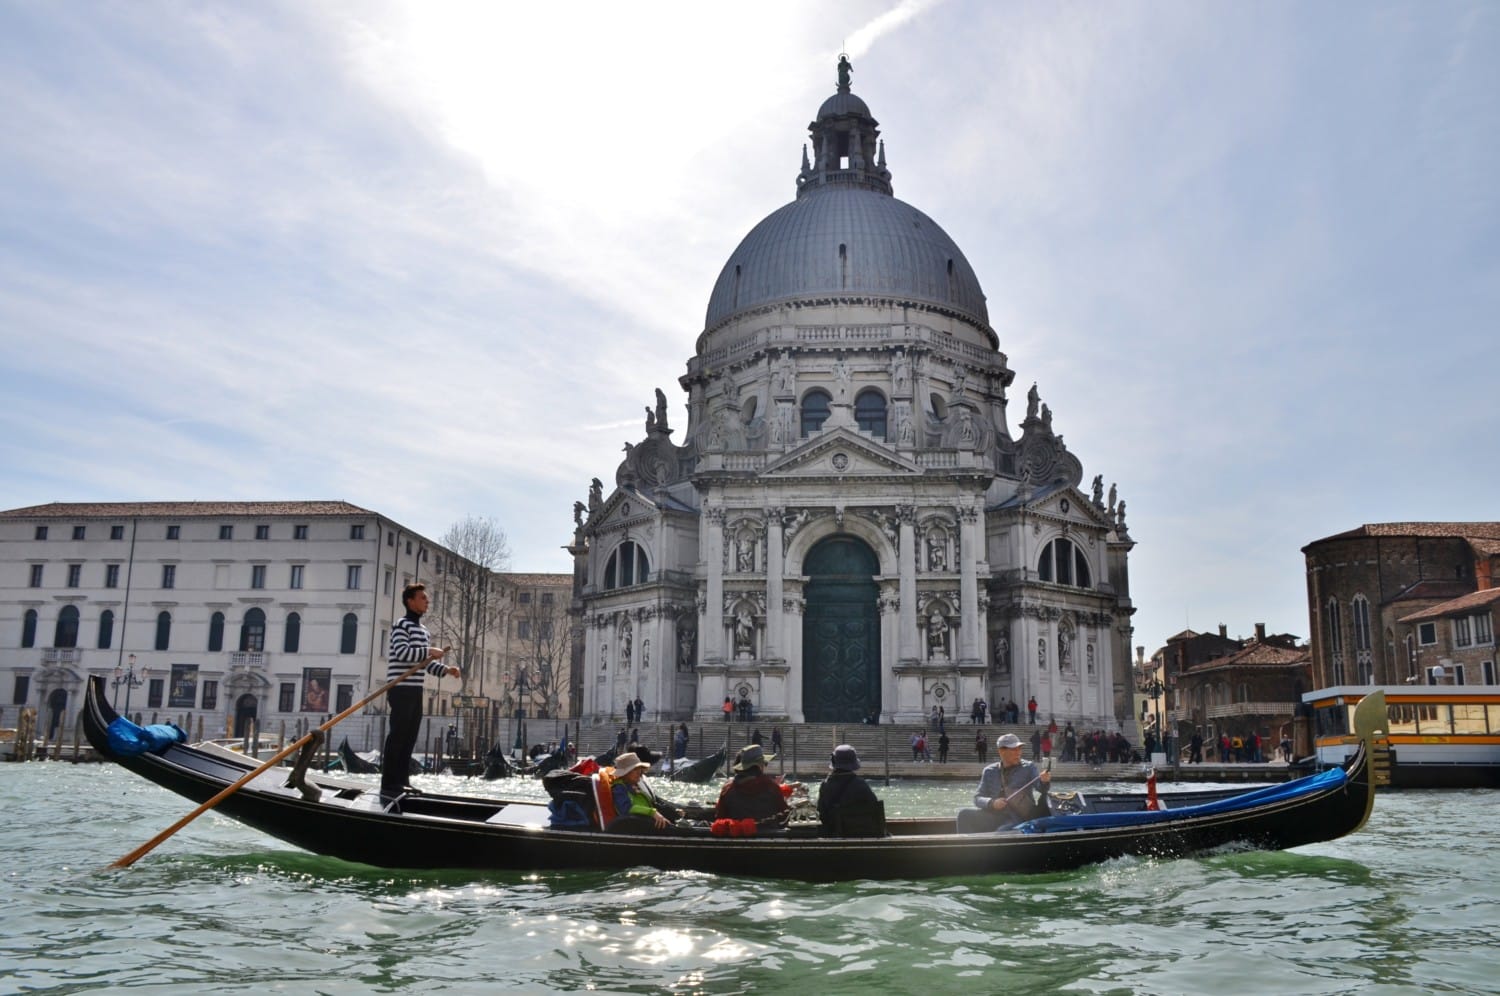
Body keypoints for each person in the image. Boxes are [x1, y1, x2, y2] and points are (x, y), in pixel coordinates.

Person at [381, 582, 458, 806]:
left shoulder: (424, 631)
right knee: (398, 735)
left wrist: (446, 670)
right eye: (422, 598)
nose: (427, 601)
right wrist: (429, 651)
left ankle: (402, 780)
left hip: (415, 689)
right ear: (410, 601)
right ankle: (389, 782)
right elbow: (403, 653)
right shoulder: (401, 625)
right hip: (400, 688)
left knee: (409, 737)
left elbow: (424, 663)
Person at [973, 733, 1051, 830]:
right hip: (994, 815)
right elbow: (977, 798)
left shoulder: (1029, 767)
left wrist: (1044, 781)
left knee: (1002, 830)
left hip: (1018, 817)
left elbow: (1042, 789)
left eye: (1020, 749)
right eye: (1014, 749)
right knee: (963, 814)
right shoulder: (989, 771)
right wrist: (992, 803)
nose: (1018, 753)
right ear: (1001, 751)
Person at [597, 751, 676, 833]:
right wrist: (652, 813)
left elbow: (653, 802)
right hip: (636, 824)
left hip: (647, 821)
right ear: (625, 773)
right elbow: (627, 809)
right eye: (635, 769)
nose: (639, 772)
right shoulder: (619, 788)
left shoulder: (634, 785)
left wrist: (673, 811)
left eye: (639, 769)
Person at [714, 744, 789, 824]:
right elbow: (785, 813)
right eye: (764, 763)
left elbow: (719, 818)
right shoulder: (772, 787)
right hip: (768, 830)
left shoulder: (727, 789)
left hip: (738, 831)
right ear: (759, 766)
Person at [817, 745, 880, 834]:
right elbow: (875, 808)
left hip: (834, 834)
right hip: (861, 833)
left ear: (834, 762)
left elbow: (821, 814)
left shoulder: (825, 785)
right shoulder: (861, 784)